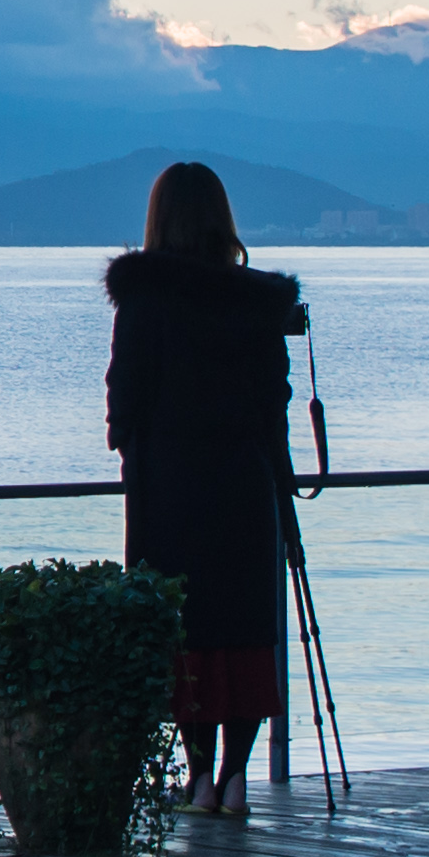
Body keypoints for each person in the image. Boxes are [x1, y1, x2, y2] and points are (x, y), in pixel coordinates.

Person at [105, 161, 308, 819]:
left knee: (183, 630)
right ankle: (236, 777)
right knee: (244, 630)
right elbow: (273, 400)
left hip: (168, 486)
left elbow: (125, 388)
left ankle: (194, 777)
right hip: (245, 483)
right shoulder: (255, 301)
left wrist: (129, 449)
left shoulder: (145, 296)